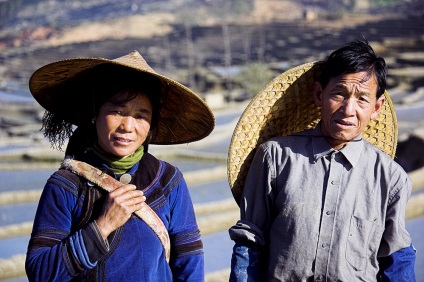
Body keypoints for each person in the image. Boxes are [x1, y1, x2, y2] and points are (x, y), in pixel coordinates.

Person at [227, 40, 416, 281]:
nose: (348, 109)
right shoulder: (275, 158)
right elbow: (250, 241)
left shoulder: (390, 178)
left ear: (376, 108)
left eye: (362, 99)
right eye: (339, 94)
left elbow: (396, 258)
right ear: (319, 95)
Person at [25, 51, 215, 281]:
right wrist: (103, 225)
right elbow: (39, 273)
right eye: (117, 111)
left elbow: (190, 259)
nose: (128, 126)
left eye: (141, 116)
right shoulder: (66, 185)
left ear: (151, 123)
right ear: (96, 113)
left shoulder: (168, 180)